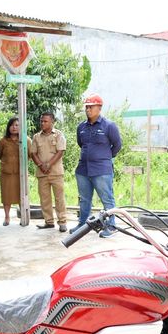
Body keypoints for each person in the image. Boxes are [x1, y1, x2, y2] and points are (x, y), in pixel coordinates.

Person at [71, 93, 122, 237]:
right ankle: (82, 225)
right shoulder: (81, 127)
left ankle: (111, 226)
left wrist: (104, 158)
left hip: (101, 170)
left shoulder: (109, 126)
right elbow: (80, 144)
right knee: (84, 199)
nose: (88, 110)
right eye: (86, 107)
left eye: (91, 107)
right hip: (83, 170)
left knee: (107, 199)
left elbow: (117, 145)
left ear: (99, 108)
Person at [30, 112, 68, 232]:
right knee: (45, 199)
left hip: (56, 173)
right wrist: (41, 165)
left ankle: (62, 222)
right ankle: (49, 221)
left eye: (45, 121)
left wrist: (49, 164)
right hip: (42, 174)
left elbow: (60, 151)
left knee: (59, 198)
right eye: (41, 121)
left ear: (52, 122)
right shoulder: (36, 137)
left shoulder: (58, 135)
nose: (42, 123)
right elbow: (33, 153)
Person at [0, 117, 31, 226]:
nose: (14, 127)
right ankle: (7, 217)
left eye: (17, 125)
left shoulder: (26, 140)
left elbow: (31, 155)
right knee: (6, 196)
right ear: (8, 127)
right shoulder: (3, 141)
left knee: (22, 195)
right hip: (6, 173)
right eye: (12, 125)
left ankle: (23, 217)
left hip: (20, 173)